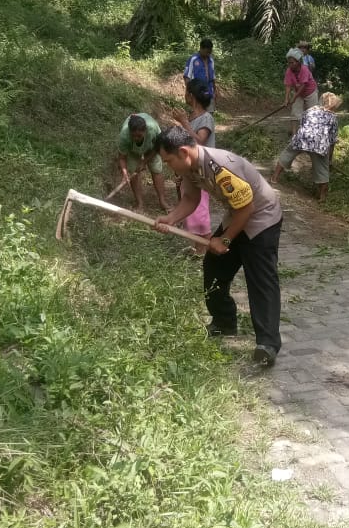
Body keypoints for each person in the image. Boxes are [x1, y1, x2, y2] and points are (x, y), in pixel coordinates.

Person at [154, 126, 283, 366]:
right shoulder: (191, 167)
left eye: (168, 161)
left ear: (183, 152)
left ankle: (268, 345)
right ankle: (224, 323)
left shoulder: (219, 167)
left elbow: (248, 208)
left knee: (261, 280)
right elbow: (191, 199)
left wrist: (224, 240)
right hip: (237, 216)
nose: (168, 165)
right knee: (214, 268)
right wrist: (170, 219)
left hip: (262, 218)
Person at [270, 92, 342, 203]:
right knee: (322, 169)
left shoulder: (311, 110)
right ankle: (322, 196)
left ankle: (274, 178)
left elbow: (303, 124)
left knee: (287, 154)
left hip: (302, 137)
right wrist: (329, 160)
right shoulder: (333, 118)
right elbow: (332, 141)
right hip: (319, 144)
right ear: (334, 106)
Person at [171, 79, 216, 251]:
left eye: (186, 92)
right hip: (190, 171)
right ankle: (199, 250)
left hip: (203, 171)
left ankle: (206, 251)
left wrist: (183, 122)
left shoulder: (206, 118)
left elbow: (199, 141)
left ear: (191, 96)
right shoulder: (192, 117)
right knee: (193, 212)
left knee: (200, 212)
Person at [117, 112, 168, 210]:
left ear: (145, 131)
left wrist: (144, 162)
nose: (136, 138)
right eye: (133, 136)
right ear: (130, 132)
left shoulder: (153, 129)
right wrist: (125, 173)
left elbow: (158, 147)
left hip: (152, 147)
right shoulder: (124, 136)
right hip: (132, 151)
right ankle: (140, 203)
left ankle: (163, 201)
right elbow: (122, 157)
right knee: (133, 171)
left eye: (139, 136)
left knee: (156, 169)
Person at [284, 47, 318, 132]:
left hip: (310, 92)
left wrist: (294, 97)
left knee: (312, 113)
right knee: (295, 112)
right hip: (298, 93)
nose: (290, 64)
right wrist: (286, 99)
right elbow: (288, 85)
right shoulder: (289, 71)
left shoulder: (304, 69)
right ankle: (294, 135)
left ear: (298, 62)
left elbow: (303, 86)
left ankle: (311, 133)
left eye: (292, 63)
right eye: (289, 63)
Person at [183, 38, 216, 112]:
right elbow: (187, 77)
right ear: (201, 48)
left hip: (209, 92)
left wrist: (215, 92)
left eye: (209, 52)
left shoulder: (211, 60)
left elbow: (213, 78)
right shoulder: (193, 59)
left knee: (209, 116)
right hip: (197, 94)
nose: (208, 54)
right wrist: (188, 93)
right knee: (197, 116)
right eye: (207, 52)